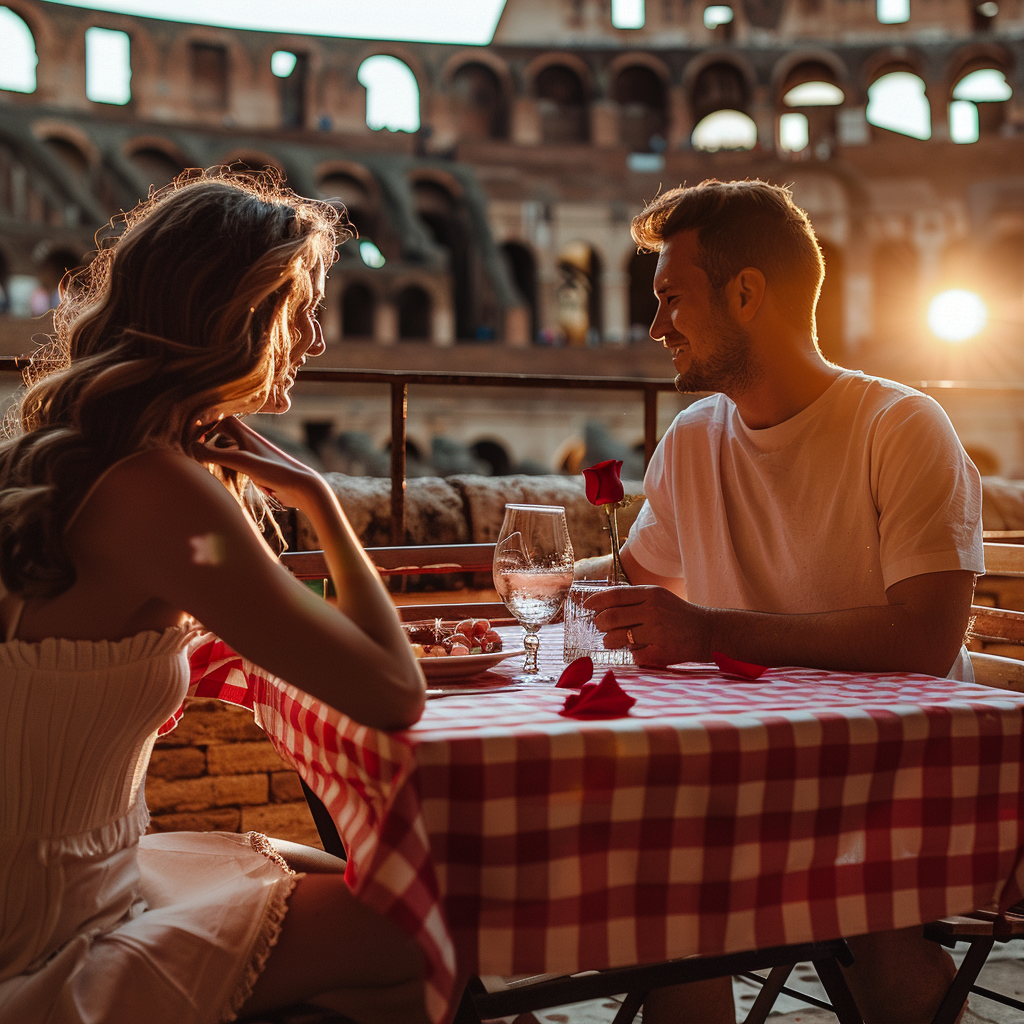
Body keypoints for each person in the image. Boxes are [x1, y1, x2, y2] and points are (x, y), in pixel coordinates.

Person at [0, 169, 430, 1024]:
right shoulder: (157, 490)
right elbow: (394, 691)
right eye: (299, 307)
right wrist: (324, 506)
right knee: (431, 929)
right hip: (54, 930)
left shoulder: (64, 456)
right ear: (236, 314)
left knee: (375, 922)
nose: (311, 338)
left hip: (60, 876)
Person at [586, 179, 983, 1024]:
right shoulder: (693, 439)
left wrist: (707, 630)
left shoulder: (901, 427)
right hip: (753, 784)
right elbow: (630, 581)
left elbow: (925, 638)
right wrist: (518, 588)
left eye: (670, 298)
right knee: (661, 885)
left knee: (860, 927)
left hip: (899, 793)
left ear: (746, 293)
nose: (656, 328)